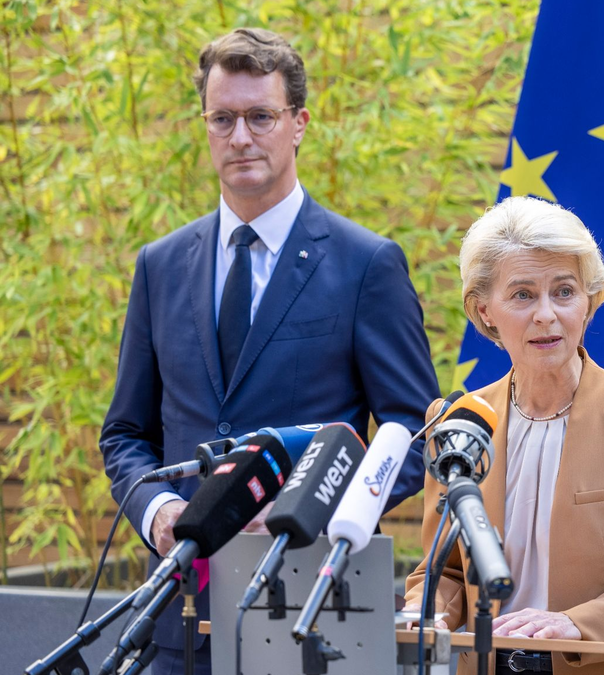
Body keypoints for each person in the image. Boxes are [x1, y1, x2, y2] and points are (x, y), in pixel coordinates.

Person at [99, 28, 439, 675]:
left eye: (261, 116)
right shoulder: (159, 265)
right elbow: (125, 433)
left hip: (310, 612)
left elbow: (414, 433)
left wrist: (313, 508)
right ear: (205, 126)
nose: (240, 137)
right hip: (180, 616)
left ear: (299, 124)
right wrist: (160, 511)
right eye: (222, 119)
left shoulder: (366, 264)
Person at [402, 196, 604, 675]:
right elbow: (444, 569)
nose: (546, 314)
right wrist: (428, 613)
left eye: (564, 291)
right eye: (522, 295)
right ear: (484, 310)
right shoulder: (457, 422)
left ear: (589, 302)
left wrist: (576, 625)